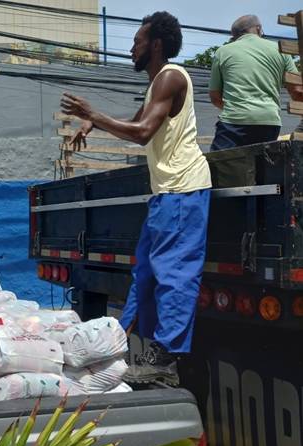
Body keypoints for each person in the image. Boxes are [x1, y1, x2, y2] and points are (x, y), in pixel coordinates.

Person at [61, 11, 212, 385]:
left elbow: (143, 132)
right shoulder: (156, 85)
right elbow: (137, 120)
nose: (131, 48)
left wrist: (94, 113)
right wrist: (93, 121)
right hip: (166, 196)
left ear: (156, 45)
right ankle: (117, 344)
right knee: (144, 273)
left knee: (174, 276)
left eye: (137, 41)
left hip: (183, 191)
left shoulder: (171, 78)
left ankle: (164, 356)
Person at [209, 15, 300, 150]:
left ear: (234, 36)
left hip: (233, 121)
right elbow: (297, 90)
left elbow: (215, 97)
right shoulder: (281, 51)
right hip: (269, 121)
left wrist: (238, 108)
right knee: (262, 167)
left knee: (220, 165)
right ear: (258, 29)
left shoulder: (222, 52)